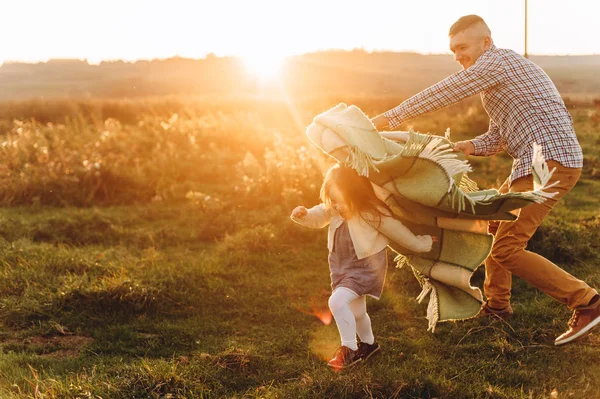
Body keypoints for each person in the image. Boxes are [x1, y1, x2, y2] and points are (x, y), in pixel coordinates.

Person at [370, 14, 599, 346]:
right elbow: (499, 137)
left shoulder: (497, 63)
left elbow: (448, 90)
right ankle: (497, 306)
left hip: (547, 164)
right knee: (494, 230)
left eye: (462, 47)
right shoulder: (501, 75)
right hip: (535, 164)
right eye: (453, 51)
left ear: (485, 43)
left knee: (507, 248)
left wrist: (390, 117)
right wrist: (469, 145)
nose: (458, 56)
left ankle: (587, 301)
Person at [291, 164, 436, 369]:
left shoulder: (371, 212)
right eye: (333, 201)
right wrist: (304, 215)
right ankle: (369, 345)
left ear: (356, 194)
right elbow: (319, 215)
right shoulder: (333, 209)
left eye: (341, 202)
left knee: (337, 302)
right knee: (357, 313)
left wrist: (422, 243)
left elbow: (398, 232)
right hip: (341, 267)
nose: (337, 206)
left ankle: (349, 349)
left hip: (366, 268)